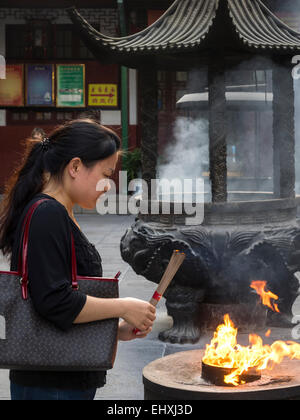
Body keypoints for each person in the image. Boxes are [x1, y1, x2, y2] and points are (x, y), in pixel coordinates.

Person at [0, 119, 156, 400]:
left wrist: (115, 330)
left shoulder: (58, 211)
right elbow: (55, 301)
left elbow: (60, 297)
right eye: (106, 174)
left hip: (61, 374)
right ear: (75, 167)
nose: (108, 185)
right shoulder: (47, 214)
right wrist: (123, 306)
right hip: (51, 385)